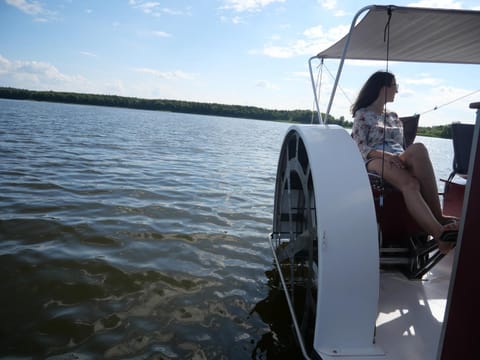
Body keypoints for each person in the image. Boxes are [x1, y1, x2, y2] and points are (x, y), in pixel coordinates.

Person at [351, 71, 457, 253]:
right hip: (374, 159)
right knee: (411, 183)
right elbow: (360, 148)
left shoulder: (393, 116)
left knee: (420, 148)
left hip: (398, 156)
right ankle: (439, 235)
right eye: (395, 86)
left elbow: (401, 146)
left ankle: (438, 216)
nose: (397, 91)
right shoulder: (362, 114)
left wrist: (400, 159)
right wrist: (384, 156)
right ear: (383, 88)